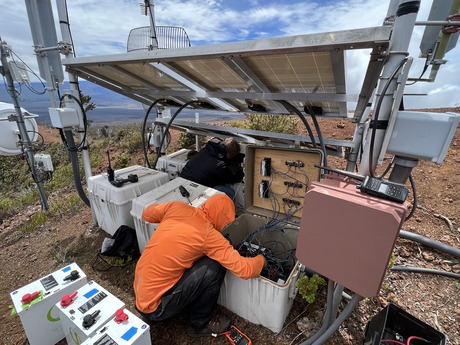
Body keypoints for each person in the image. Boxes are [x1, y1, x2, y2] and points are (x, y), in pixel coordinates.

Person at [133, 193, 265, 338]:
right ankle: (198, 325)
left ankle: (156, 306)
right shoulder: (209, 235)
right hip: (156, 308)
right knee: (215, 265)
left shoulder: (177, 207)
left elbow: (147, 214)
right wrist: (262, 259)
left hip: (139, 290)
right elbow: (245, 270)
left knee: (193, 257)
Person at [179, 137, 244, 199]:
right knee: (230, 192)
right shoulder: (219, 164)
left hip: (182, 181)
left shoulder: (207, 149)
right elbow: (230, 178)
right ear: (229, 154)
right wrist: (242, 173)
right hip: (195, 188)